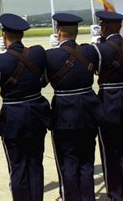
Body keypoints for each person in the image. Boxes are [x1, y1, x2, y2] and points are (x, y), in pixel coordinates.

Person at [0, 13, 51, 201]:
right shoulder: (38, 52)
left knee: (18, 166)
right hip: (37, 113)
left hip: (14, 117)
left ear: (4, 35)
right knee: (36, 163)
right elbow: (43, 80)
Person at [45, 13, 103, 201]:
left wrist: (53, 53)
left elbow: (41, 82)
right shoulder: (90, 51)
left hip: (65, 114)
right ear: (77, 32)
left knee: (68, 162)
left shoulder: (51, 55)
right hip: (89, 111)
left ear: (58, 32)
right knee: (86, 161)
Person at [93, 10, 123, 201]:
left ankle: (115, 193)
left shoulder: (100, 49)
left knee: (110, 152)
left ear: (105, 26)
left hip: (108, 101)